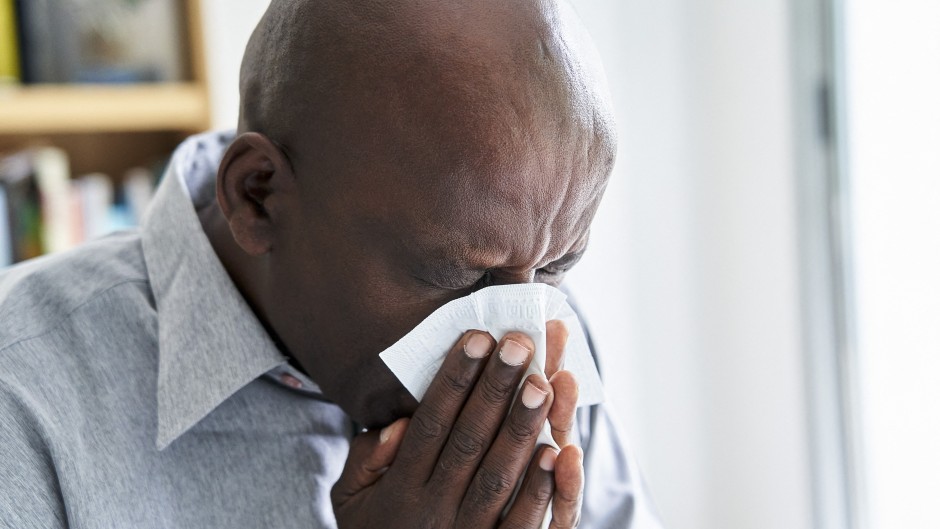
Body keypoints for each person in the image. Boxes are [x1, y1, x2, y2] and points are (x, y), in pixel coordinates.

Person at [0, 1, 662, 527]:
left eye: (556, 267)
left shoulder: (546, 347)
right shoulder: (23, 401)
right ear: (258, 196)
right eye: (455, 276)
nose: (516, 342)